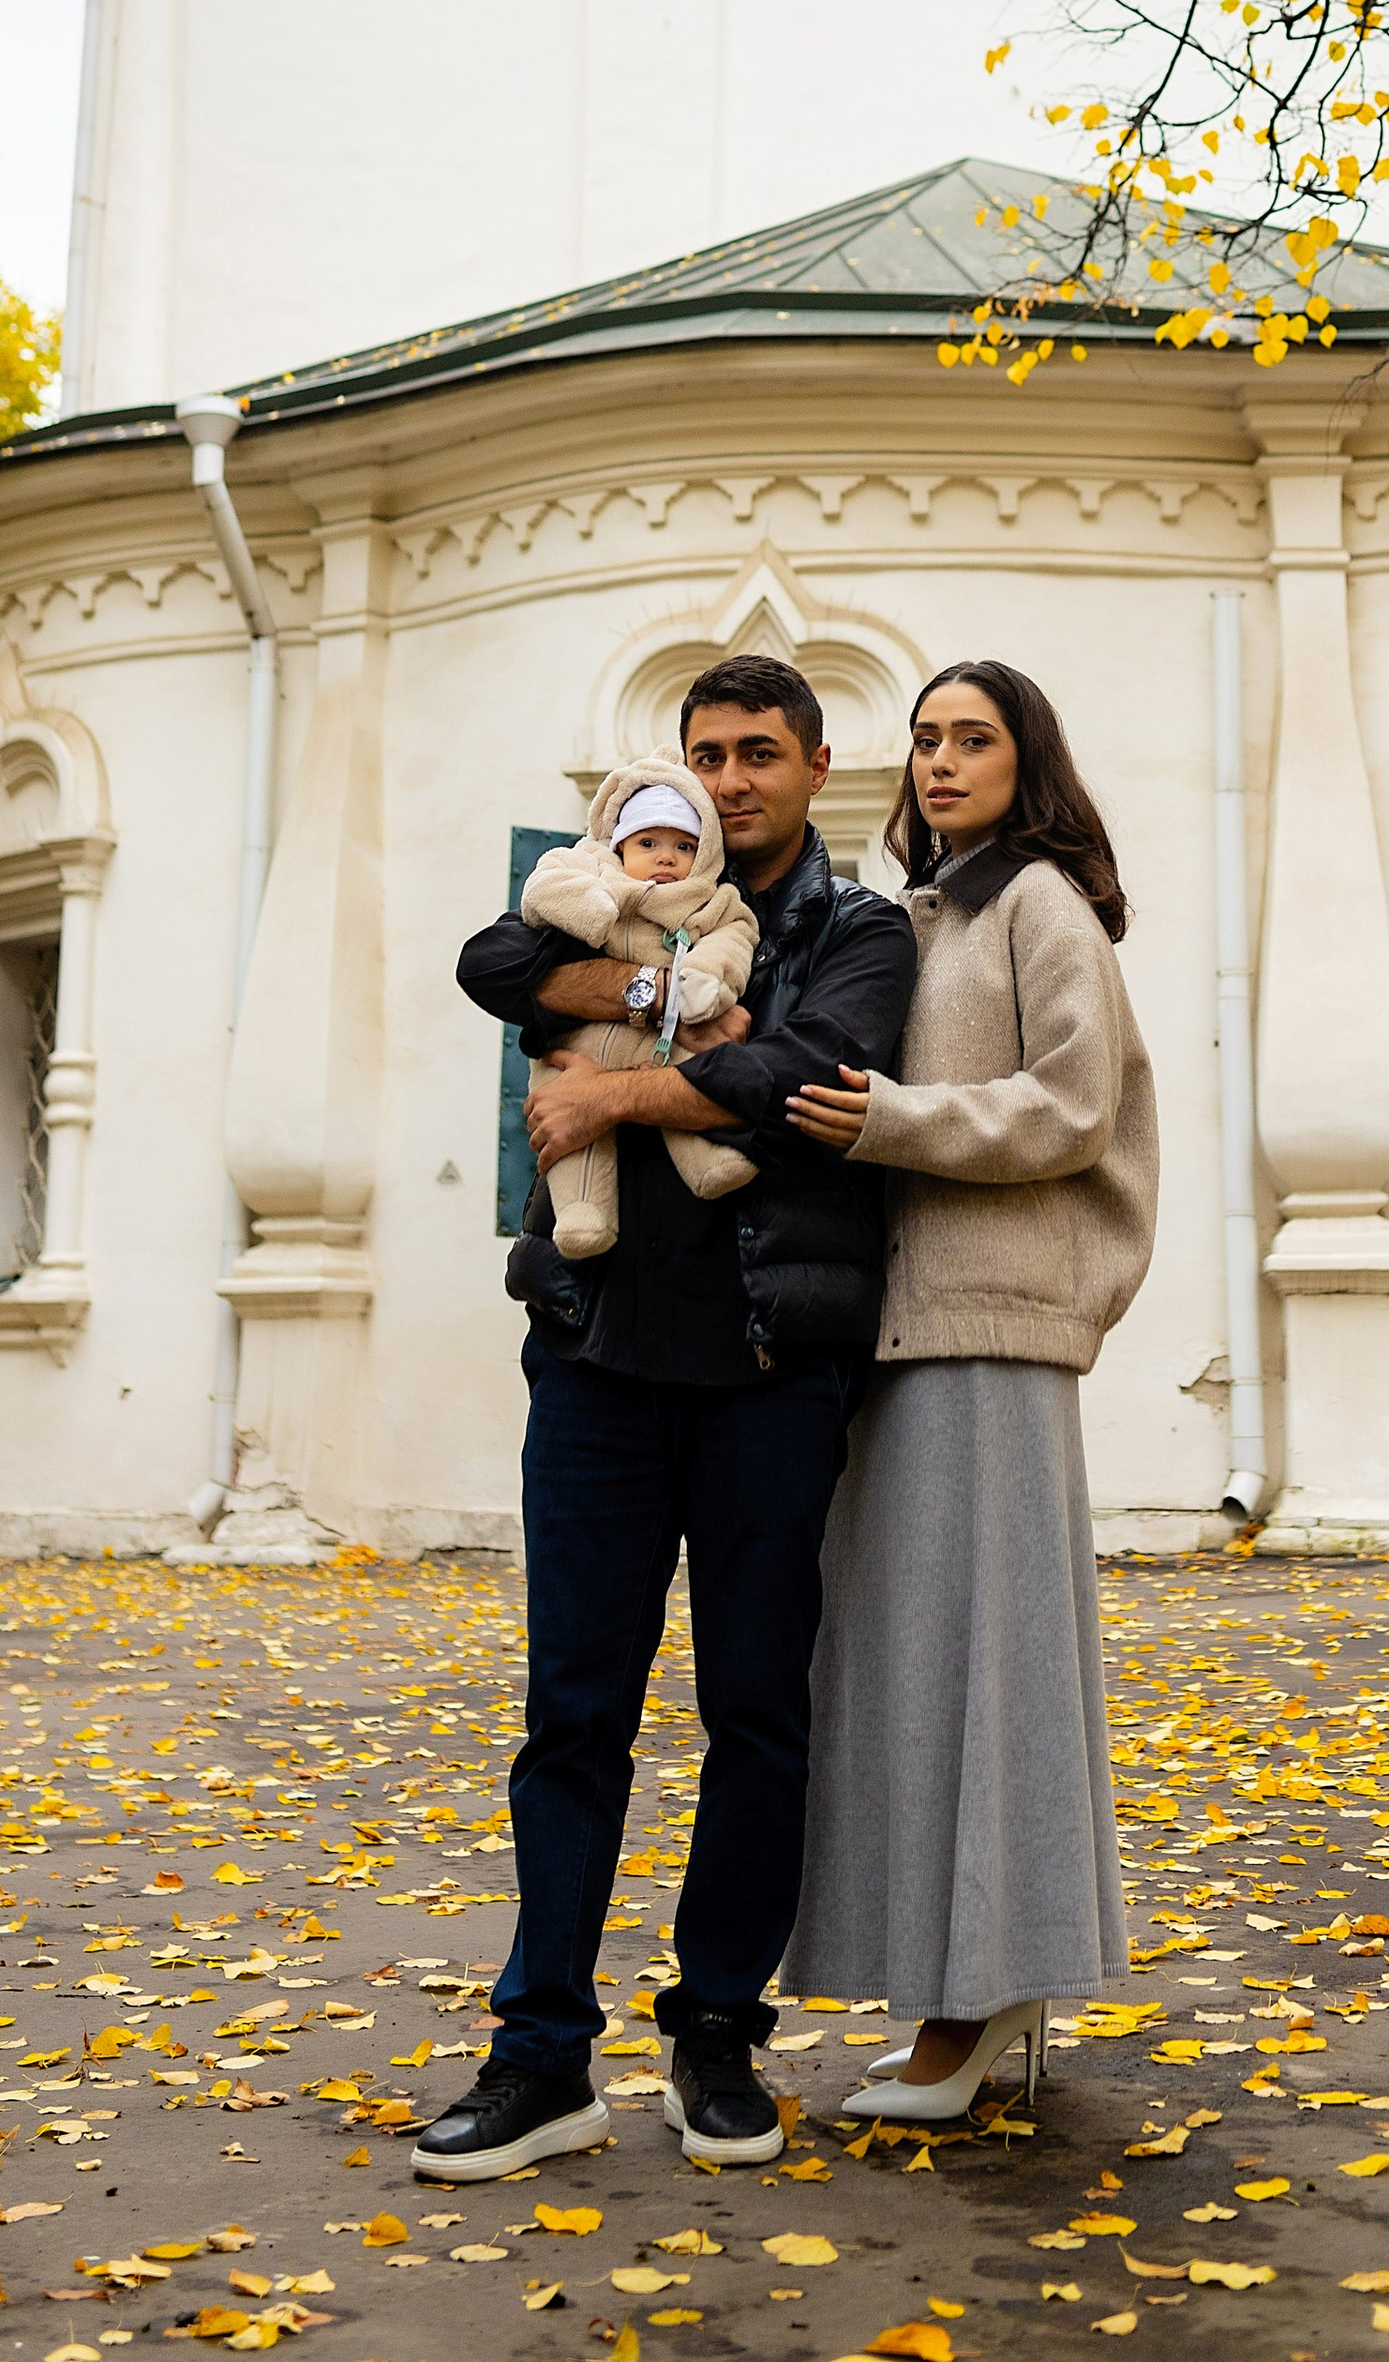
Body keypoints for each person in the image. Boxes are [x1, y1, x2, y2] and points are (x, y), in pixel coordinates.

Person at [418, 654, 918, 2185]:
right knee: (574, 1715)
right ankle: (540, 2058)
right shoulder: (610, 881)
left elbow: (799, 1068)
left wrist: (614, 1096)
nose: (733, 779)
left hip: (773, 1368)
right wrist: (649, 994)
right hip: (593, 1359)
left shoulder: (859, 927)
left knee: (757, 1715)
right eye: (708, 752)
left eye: (761, 752)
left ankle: (716, 2034)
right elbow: (495, 968)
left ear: (819, 765)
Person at [783, 658, 1158, 2123]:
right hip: (909, 1329)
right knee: (921, 1671)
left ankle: (991, 1992)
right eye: (927, 739)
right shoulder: (931, 914)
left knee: (993, 1670)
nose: (941, 762)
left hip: (994, 1331)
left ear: (1027, 761)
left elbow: (1076, 1103)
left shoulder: (1041, 905)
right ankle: (967, 1987)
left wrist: (892, 1117)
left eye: (975, 740)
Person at [517, 759, 759, 1257]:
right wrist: (591, 907)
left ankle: (708, 1161)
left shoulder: (707, 902)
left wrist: (702, 982)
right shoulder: (593, 874)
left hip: (658, 1041)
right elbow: (539, 893)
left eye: (684, 846)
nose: (666, 859)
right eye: (648, 843)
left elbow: (736, 936)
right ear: (621, 843)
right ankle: (584, 1211)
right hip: (573, 1048)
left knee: (683, 1080)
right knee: (569, 1122)